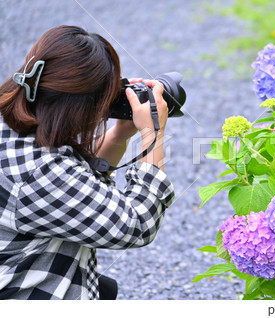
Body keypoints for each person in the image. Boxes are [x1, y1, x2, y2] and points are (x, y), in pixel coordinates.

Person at [0, 25, 175, 300]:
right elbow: (137, 224)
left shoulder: (13, 122)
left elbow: (78, 189)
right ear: (81, 108)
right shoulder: (41, 173)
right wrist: (153, 133)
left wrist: (119, 134)